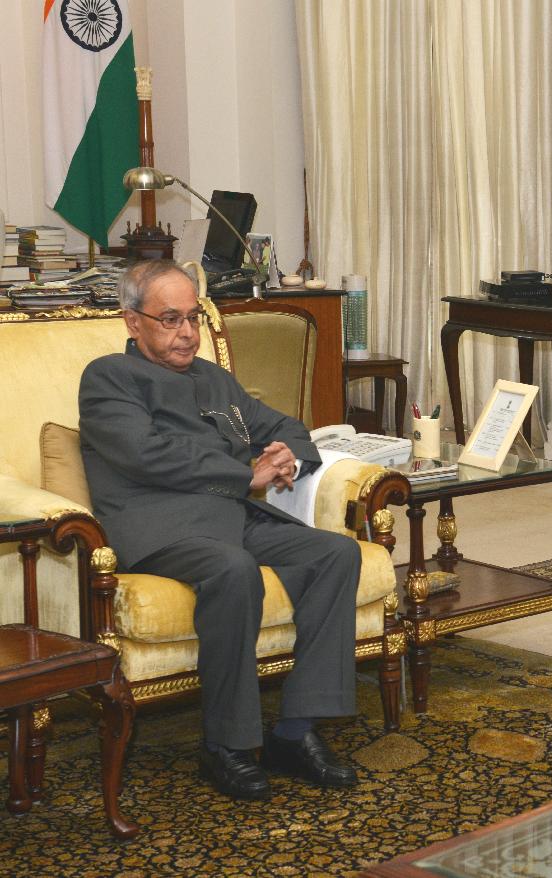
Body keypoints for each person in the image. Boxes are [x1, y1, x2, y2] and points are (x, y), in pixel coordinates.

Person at [79, 259, 362, 800]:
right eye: (170, 319)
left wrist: (288, 456)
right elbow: (144, 454)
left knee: (335, 554)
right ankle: (225, 745)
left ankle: (295, 732)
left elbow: (283, 424)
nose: (187, 333)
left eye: (193, 318)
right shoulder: (109, 377)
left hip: (234, 516)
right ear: (133, 321)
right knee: (233, 570)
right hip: (161, 526)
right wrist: (245, 474)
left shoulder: (212, 377)